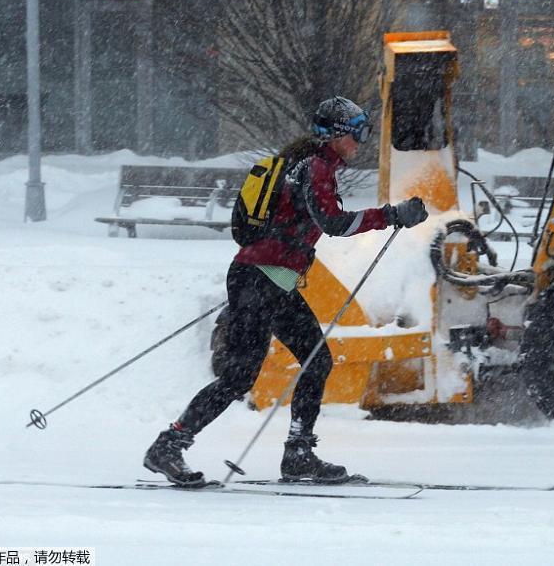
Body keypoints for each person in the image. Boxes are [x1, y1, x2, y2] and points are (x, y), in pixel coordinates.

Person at [143, 96, 429, 486]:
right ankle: (169, 446)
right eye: (358, 132)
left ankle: (298, 454)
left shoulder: (310, 165)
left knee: (316, 359)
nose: (362, 141)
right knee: (239, 378)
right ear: (338, 135)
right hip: (259, 280)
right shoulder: (315, 168)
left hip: (272, 282)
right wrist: (391, 215)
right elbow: (334, 222)